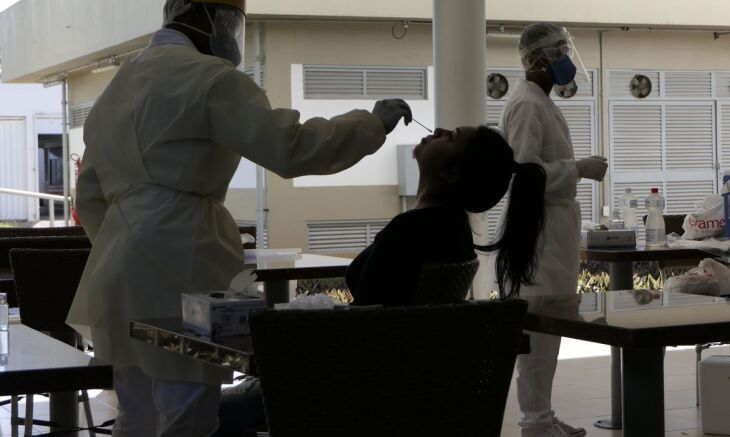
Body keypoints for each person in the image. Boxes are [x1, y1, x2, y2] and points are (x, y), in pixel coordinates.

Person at [65, 0, 412, 435]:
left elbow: (91, 192)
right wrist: (371, 123)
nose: (232, 34)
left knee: (136, 413)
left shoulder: (116, 87)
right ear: (197, 15)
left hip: (115, 268)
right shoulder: (211, 78)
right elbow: (291, 147)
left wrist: (125, 243)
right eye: (229, 21)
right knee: (186, 411)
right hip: (180, 262)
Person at [485, 23, 608, 437]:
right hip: (536, 228)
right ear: (536, 59)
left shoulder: (540, 100)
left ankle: (544, 413)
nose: (565, 59)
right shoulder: (526, 105)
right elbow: (524, 171)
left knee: (550, 326)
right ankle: (534, 422)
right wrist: (579, 169)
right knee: (535, 328)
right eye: (557, 51)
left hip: (553, 226)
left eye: (563, 50)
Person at [347, 125, 547, 305]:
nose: (437, 131)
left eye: (450, 137)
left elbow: (365, 318)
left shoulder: (410, 231)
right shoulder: (454, 229)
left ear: (451, 173)